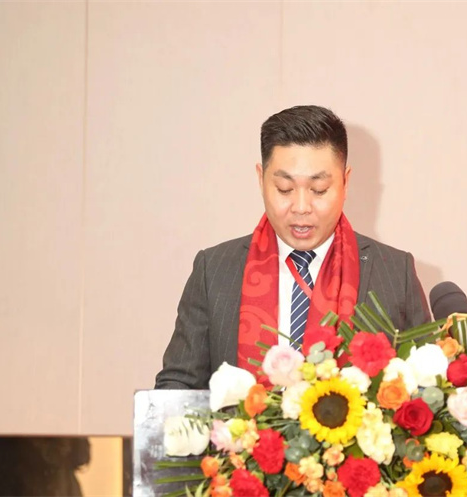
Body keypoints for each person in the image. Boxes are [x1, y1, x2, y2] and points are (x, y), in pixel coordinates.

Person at [155, 105, 430, 389]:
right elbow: (177, 387)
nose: (301, 207)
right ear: (261, 179)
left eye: (319, 190)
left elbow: (428, 388)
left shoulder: (394, 274)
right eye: (284, 189)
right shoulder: (214, 271)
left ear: (345, 182)